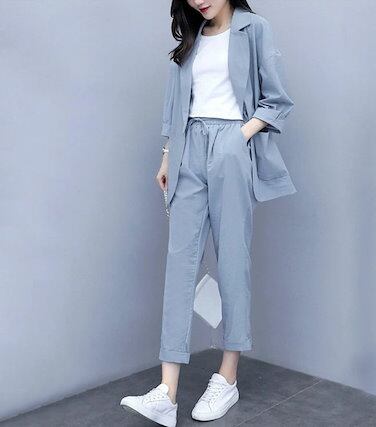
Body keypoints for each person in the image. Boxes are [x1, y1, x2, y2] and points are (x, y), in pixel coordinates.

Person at [120, 1, 295, 425]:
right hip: (188, 148)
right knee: (180, 264)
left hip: (232, 145)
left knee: (232, 259)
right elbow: (176, 105)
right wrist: (168, 155)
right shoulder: (192, 37)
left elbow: (276, 99)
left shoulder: (254, 29)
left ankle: (227, 377)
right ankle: (166, 393)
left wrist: (239, 137)